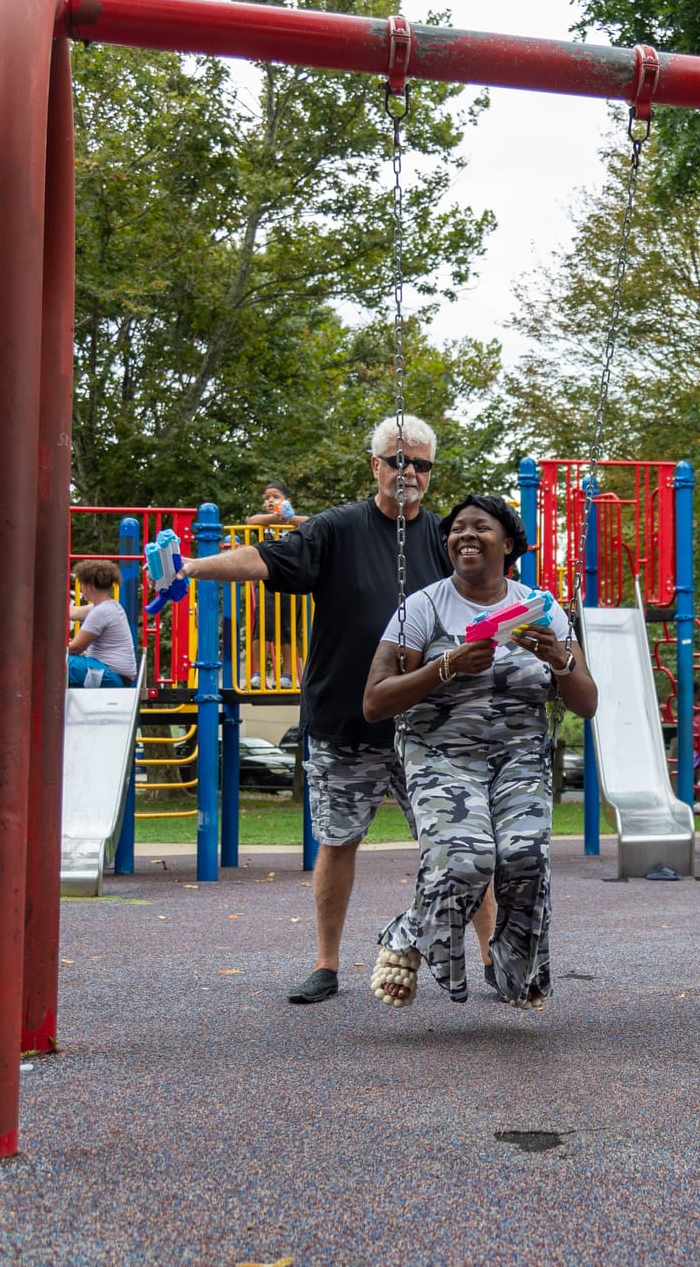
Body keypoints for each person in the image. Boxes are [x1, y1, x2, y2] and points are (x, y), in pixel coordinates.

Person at [172, 415, 497, 1004]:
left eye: (421, 464)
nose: (410, 474)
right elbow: (265, 559)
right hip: (346, 721)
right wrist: (191, 568)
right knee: (338, 840)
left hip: (428, 726)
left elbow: (493, 594)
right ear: (376, 465)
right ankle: (326, 965)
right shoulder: (337, 529)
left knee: (463, 844)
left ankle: (495, 958)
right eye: (399, 461)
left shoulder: (446, 539)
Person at [362, 494, 597, 1011]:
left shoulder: (544, 608)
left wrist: (560, 659)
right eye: (457, 529)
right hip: (441, 754)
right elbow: (375, 701)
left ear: (507, 543)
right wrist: (446, 666)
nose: (465, 535)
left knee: (525, 856)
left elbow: (587, 702)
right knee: (466, 857)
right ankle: (406, 938)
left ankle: (518, 969)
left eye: (480, 527)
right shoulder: (423, 608)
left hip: (518, 759)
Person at [242, 482, 307, 687]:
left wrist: (288, 518)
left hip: (291, 583)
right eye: (267, 498)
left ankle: (287, 675)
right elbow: (250, 520)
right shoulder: (265, 524)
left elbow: (310, 522)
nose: (269, 501)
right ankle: (257, 673)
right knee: (262, 627)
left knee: (288, 629)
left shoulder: (293, 523)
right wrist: (272, 518)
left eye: (275, 497)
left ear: (287, 501)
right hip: (268, 583)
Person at [65, 558, 138, 687]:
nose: (81, 589)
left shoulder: (101, 612)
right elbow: (72, 612)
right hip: (114, 674)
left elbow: (76, 647)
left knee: (62, 663)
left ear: (89, 586)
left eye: (81, 584)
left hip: (111, 676)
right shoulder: (109, 607)